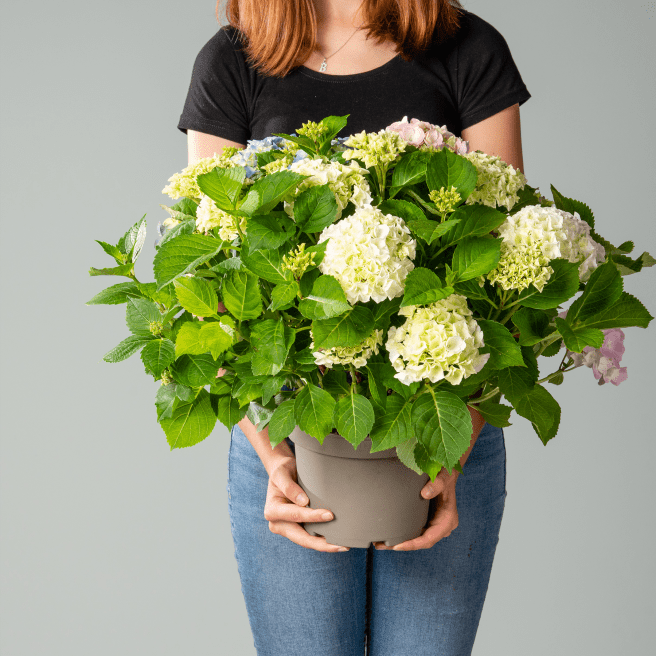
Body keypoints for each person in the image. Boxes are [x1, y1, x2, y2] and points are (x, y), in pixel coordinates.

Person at [177, 1, 530, 653]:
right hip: (289, 444)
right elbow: (212, 287)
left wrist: (452, 455)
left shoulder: (467, 48)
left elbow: (507, 282)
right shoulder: (233, 59)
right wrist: (273, 459)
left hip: (441, 436)